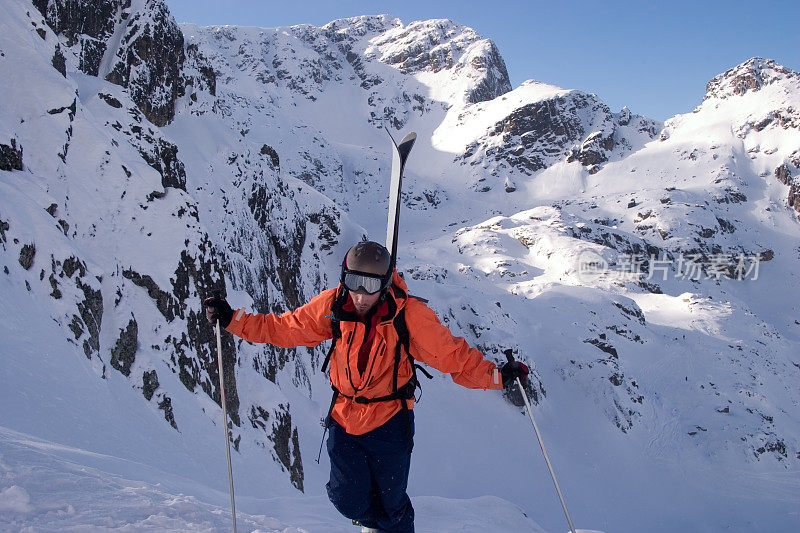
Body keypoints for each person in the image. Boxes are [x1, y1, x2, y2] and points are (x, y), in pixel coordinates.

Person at [204, 241, 529, 533]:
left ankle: (395, 524)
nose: (360, 294)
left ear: (386, 284)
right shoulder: (333, 305)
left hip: (390, 420)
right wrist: (233, 320)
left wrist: (497, 376)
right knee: (347, 500)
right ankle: (390, 524)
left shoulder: (410, 315)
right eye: (352, 282)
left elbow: (453, 357)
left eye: (370, 285)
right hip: (345, 417)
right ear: (343, 277)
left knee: (392, 502)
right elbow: (287, 328)